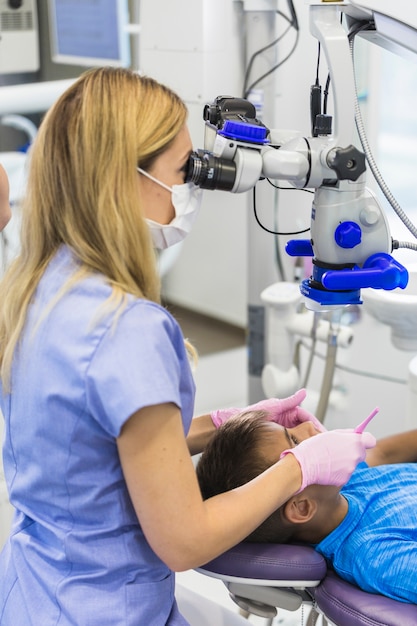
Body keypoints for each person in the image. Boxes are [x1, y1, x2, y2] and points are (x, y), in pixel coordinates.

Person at [0, 66, 375, 626]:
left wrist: (223, 423)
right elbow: (183, 541)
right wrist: (299, 467)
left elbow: (95, 449)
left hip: (34, 591)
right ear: (124, 180)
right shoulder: (127, 329)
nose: (191, 189)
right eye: (184, 171)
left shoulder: (38, 290)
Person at [196, 410, 417, 604]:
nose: (308, 427)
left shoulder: (349, 481)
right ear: (302, 508)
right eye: (295, 442)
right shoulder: (374, 554)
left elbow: (386, 453)